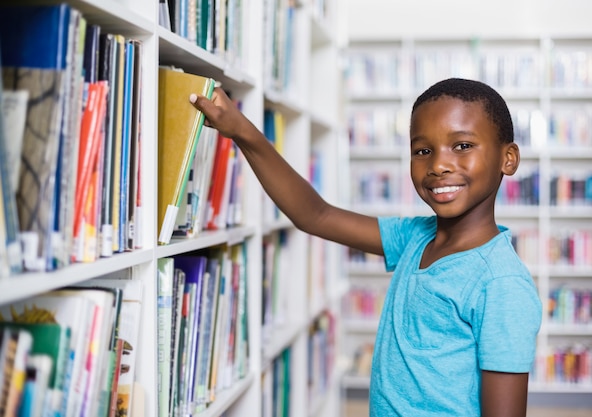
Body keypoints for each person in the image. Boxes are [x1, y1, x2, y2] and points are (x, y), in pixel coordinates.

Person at [189, 77, 542, 417]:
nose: (438, 165)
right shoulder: (416, 237)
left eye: (462, 146)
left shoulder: (501, 285)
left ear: (507, 158)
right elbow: (316, 215)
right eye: (422, 150)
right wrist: (243, 133)